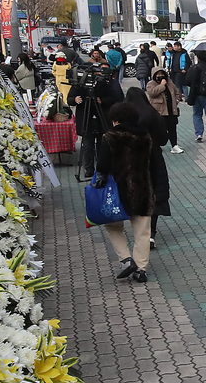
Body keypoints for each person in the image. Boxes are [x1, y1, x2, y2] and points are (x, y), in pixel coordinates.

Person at [95, 102, 155, 283]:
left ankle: (126, 259)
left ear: (115, 120)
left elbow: (103, 165)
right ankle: (141, 269)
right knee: (143, 231)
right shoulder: (145, 136)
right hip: (143, 188)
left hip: (117, 190)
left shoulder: (110, 137)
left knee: (113, 226)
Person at [124, 86, 172, 249]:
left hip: (133, 158)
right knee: (155, 191)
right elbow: (164, 139)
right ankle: (151, 233)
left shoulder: (127, 117)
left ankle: (141, 229)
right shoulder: (153, 114)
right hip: (154, 156)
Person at [67, 51, 124, 179]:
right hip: (85, 118)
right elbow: (69, 98)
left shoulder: (105, 83)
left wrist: (102, 100)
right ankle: (88, 169)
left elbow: (116, 98)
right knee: (87, 146)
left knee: (102, 145)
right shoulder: (80, 83)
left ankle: (102, 169)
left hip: (102, 117)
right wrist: (75, 99)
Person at [146, 67, 185, 154]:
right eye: (158, 74)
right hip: (159, 111)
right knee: (159, 130)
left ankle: (174, 145)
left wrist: (177, 100)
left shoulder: (170, 82)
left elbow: (177, 92)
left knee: (172, 128)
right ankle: (156, 145)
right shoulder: (151, 84)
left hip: (171, 110)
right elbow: (152, 93)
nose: (160, 76)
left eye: (162, 73)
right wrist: (161, 85)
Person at [185, 51, 206, 143]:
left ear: (198, 58)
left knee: (197, 115)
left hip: (197, 95)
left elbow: (187, 81)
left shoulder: (193, 68)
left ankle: (199, 134)